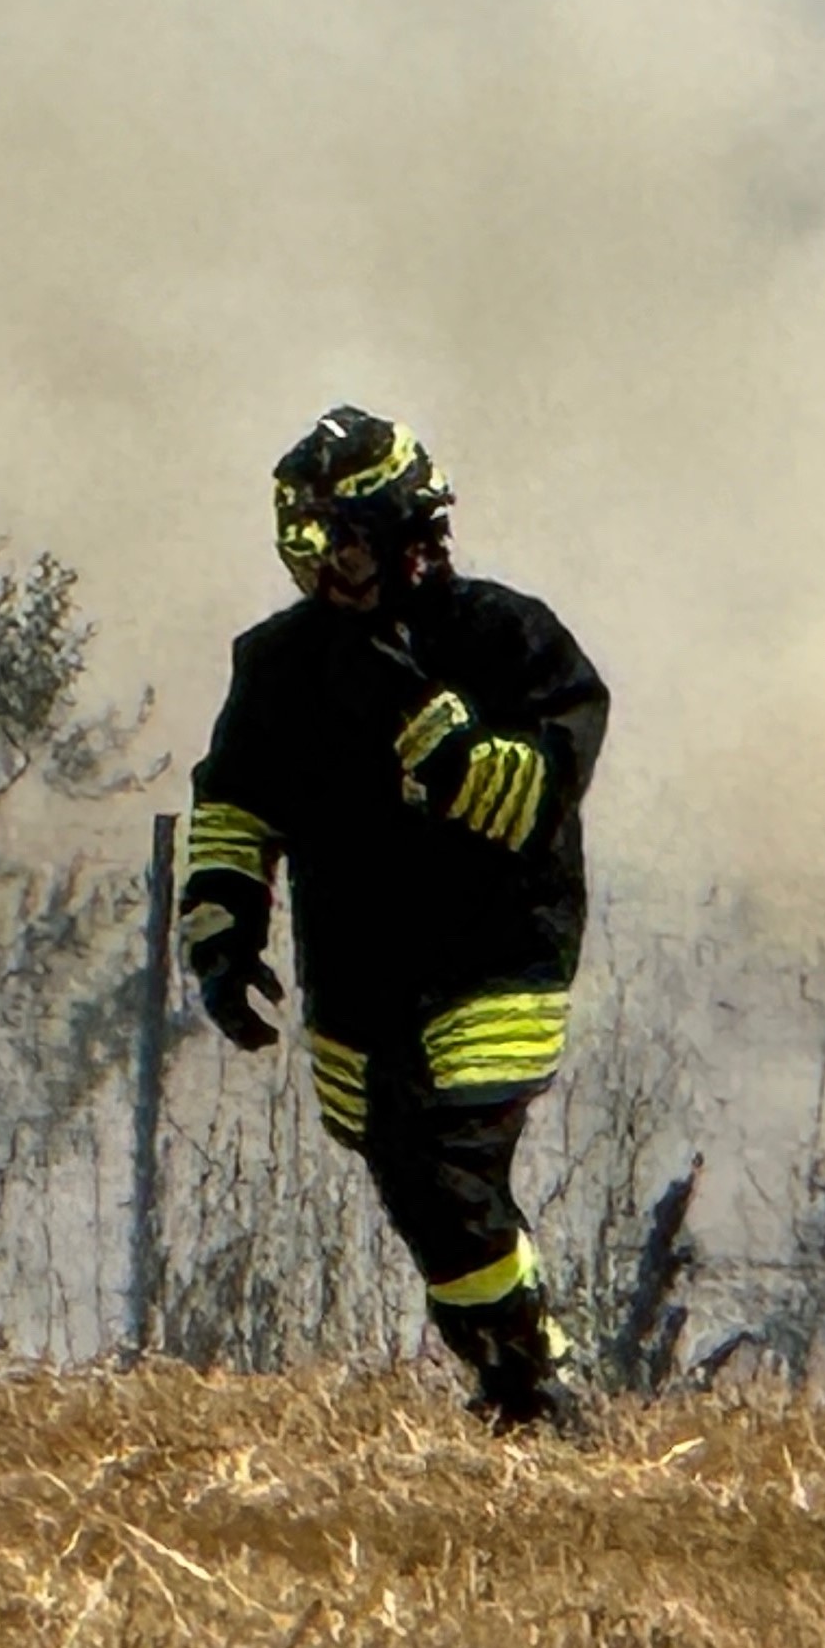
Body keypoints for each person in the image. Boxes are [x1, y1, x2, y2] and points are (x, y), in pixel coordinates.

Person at [176, 405, 609, 1430]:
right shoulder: (279, 663)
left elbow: (548, 784)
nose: (323, 563)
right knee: (409, 1176)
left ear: (406, 536)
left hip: (496, 957)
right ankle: (509, 1367)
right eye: (309, 539)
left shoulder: (512, 640)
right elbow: (236, 804)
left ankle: (532, 1376)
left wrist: (462, 759)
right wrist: (224, 932)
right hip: (356, 970)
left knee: (444, 1162)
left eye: (342, 538)